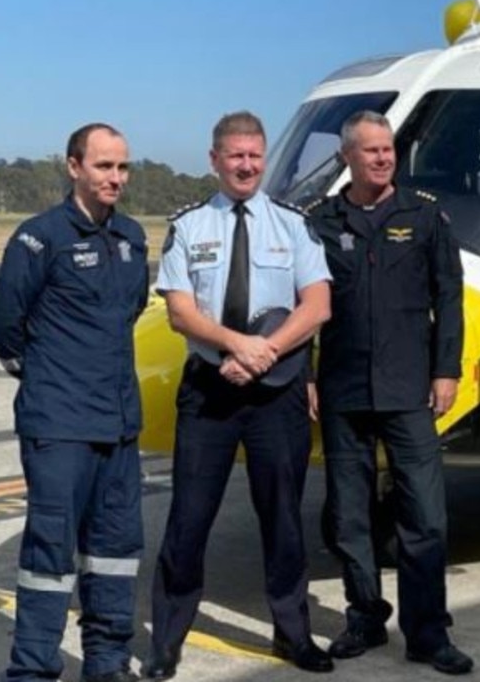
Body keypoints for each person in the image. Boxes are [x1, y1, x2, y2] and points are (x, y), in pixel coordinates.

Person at [143, 111, 333, 678]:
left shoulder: (293, 225)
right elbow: (180, 312)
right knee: (188, 519)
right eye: (235, 155)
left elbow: (317, 306)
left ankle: (292, 635)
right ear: (215, 160)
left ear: (264, 157)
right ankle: (168, 640)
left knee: (283, 519)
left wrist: (263, 354)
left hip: (277, 394)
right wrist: (234, 346)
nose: (246, 165)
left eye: (254, 155)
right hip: (209, 393)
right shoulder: (188, 226)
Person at [307, 111, 474, 675]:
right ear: (347, 158)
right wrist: (308, 374)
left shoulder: (423, 216)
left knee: (424, 514)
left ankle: (427, 633)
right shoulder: (321, 223)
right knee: (349, 514)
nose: (383, 158)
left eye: (388, 150)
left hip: (409, 387)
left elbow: (449, 297)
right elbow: (303, 305)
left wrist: (446, 369)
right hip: (343, 389)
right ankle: (364, 616)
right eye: (371, 150)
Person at [0, 124, 149, 682]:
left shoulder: (132, 238)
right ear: (73, 167)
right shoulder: (39, 239)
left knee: (115, 551)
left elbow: (128, 312)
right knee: (49, 555)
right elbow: (6, 326)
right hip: (59, 426)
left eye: (122, 167)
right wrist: (49, 380)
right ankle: (33, 668)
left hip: (119, 426)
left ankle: (106, 662)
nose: (115, 178)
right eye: (104, 166)